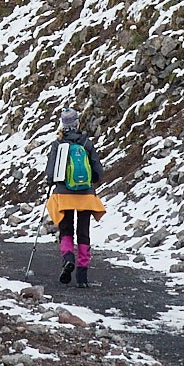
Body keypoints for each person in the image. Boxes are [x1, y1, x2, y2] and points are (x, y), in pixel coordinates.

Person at [45, 107, 105, 286]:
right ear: (77, 123)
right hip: (86, 195)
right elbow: (98, 171)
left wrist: (51, 183)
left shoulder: (58, 145)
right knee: (84, 233)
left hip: (64, 195)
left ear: (63, 125)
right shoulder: (86, 143)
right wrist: (90, 182)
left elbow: (51, 172)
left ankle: (68, 259)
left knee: (66, 230)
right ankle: (82, 277)